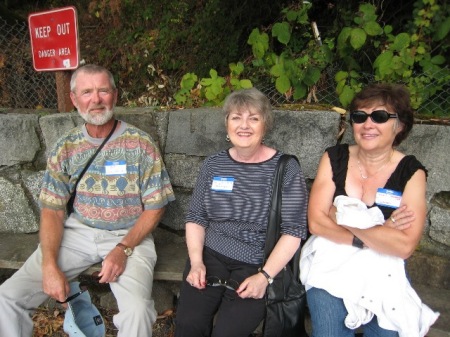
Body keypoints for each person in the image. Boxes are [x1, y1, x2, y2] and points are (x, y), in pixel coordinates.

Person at [0, 64, 175, 337]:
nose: (96, 99)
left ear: (115, 96)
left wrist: (123, 249)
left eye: (103, 90)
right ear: (74, 99)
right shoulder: (65, 146)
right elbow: (53, 210)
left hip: (129, 235)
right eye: (87, 92)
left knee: (138, 310)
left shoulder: (140, 143)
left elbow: (156, 206)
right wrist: (49, 265)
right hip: (77, 233)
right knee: (8, 297)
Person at [301, 83, 437, 337]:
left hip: (382, 269)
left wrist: (341, 220)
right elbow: (316, 224)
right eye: (360, 117)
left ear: (400, 126)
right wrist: (376, 234)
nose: (368, 124)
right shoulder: (334, 158)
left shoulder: (411, 172)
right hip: (329, 263)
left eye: (380, 116)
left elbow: (404, 245)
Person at [174, 87, 309, 337]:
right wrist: (196, 262)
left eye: (253, 118)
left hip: (257, 262)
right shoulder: (213, 164)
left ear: (265, 124)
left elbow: (294, 231)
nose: (243, 125)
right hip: (210, 256)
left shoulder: (286, 168)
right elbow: (196, 217)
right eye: (236, 117)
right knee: (187, 326)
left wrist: (265, 276)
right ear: (227, 123)